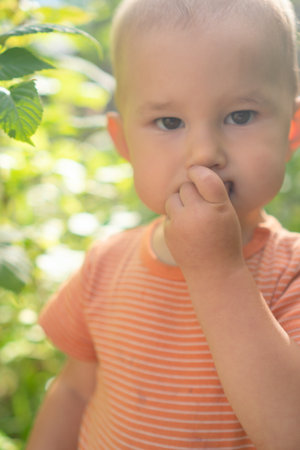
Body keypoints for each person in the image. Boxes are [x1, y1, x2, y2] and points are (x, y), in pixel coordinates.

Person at [27, 0, 300, 448]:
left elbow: (290, 432)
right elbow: (76, 389)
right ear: (124, 141)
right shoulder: (105, 265)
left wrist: (218, 270)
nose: (204, 152)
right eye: (169, 121)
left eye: (240, 116)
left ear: (291, 129)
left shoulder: (291, 274)